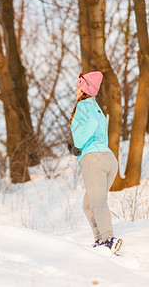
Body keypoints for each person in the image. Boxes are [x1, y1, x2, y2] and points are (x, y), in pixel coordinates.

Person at [68, 71, 122, 254]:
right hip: (108, 160)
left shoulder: (84, 104)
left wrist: (78, 146)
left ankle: (108, 240)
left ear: (83, 88)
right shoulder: (97, 107)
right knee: (89, 204)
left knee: (97, 202)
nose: (75, 88)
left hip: (93, 159)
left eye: (78, 84)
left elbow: (89, 124)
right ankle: (100, 240)